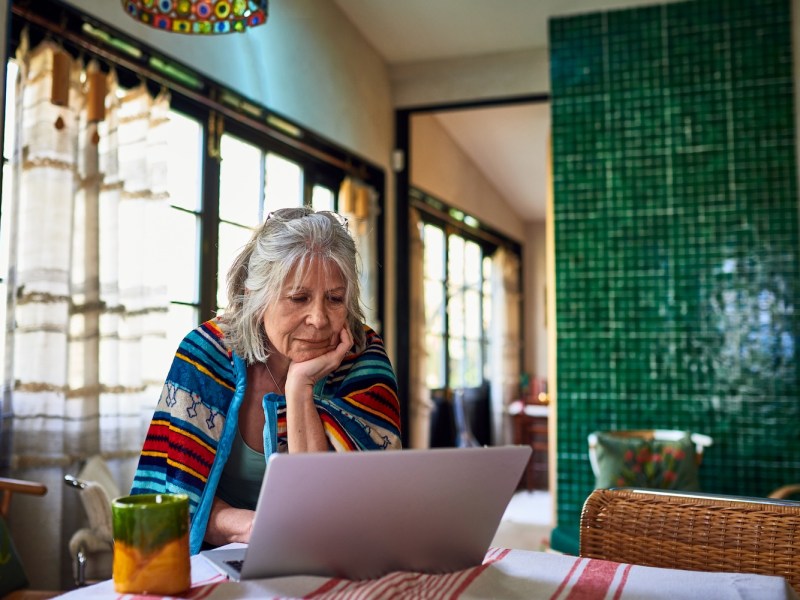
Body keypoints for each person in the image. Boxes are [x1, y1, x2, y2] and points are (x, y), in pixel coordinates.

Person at [131, 207, 402, 555]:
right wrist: (253, 526)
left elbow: (340, 511)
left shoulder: (363, 358)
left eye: (335, 299)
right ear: (255, 297)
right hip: (214, 557)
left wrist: (300, 388)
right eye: (299, 298)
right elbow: (173, 498)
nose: (319, 319)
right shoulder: (204, 354)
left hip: (334, 557)